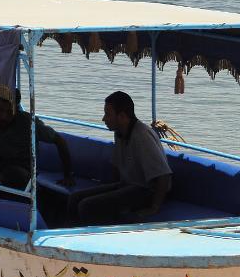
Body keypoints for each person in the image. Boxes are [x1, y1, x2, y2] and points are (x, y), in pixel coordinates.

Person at [74, 91, 172, 225]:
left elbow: (164, 175)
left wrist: (154, 208)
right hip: (128, 185)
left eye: (108, 114)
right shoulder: (119, 132)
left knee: (87, 206)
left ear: (122, 116)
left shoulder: (142, 135)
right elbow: (117, 168)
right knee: (75, 198)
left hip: (145, 191)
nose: (104, 119)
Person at [0, 89, 73, 191]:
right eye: (0, 110)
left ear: (17, 109)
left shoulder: (29, 123)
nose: (4, 116)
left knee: (15, 173)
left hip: (20, 168)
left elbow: (60, 141)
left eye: (10, 112)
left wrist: (67, 175)